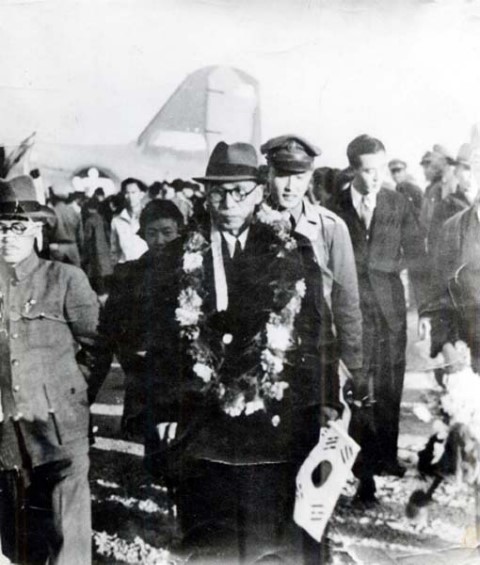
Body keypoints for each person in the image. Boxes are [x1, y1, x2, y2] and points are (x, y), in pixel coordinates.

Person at [148, 141, 342, 563]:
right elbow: (162, 338)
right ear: (205, 195)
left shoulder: (293, 247)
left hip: (274, 415)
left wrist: (327, 400)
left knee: (272, 533)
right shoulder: (180, 255)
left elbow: (317, 330)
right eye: (218, 192)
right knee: (210, 533)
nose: (228, 202)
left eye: (239, 191)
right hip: (203, 418)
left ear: (258, 192)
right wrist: (163, 406)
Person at [0, 177, 108, 564]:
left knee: (68, 541)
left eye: (17, 228)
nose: (7, 237)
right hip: (8, 435)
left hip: (60, 431)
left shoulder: (64, 279)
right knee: (19, 539)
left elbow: (98, 347)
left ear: (37, 230)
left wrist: (71, 393)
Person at [330, 134, 429, 502]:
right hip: (352, 310)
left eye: (380, 170)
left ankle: (385, 455)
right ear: (353, 169)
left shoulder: (397, 204)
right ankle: (363, 473)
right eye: (368, 171)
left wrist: (426, 309)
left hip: (390, 311)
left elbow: (418, 257)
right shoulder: (334, 207)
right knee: (359, 388)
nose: (376, 178)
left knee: (388, 387)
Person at [261, 134, 363, 388]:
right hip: (263, 354)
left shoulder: (329, 227)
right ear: (268, 174)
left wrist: (353, 363)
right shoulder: (252, 223)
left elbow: (346, 300)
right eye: (282, 175)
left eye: (299, 177)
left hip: (316, 351)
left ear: (309, 178)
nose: (290, 186)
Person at [100, 200, 184, 439]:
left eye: (167, 232)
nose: (159, 240)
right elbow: (114, 323)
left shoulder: (195, 269)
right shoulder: (130, 273)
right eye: (152, 233)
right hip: (144, 366)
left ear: (180, 232)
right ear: (143, 235)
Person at [428, 143, 479, 256]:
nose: (473, 175)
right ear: (456, 172)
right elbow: (435, 249)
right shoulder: (445, 206)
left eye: (477, 168)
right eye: (467, 168)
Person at [110, 177, 148, 265]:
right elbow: (114, 249)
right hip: (125, 267)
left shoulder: (149, 216)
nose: (130, 197)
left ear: (141, 194)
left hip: (146, 267)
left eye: (133, 192)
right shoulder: (117, 220)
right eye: (127, 193)